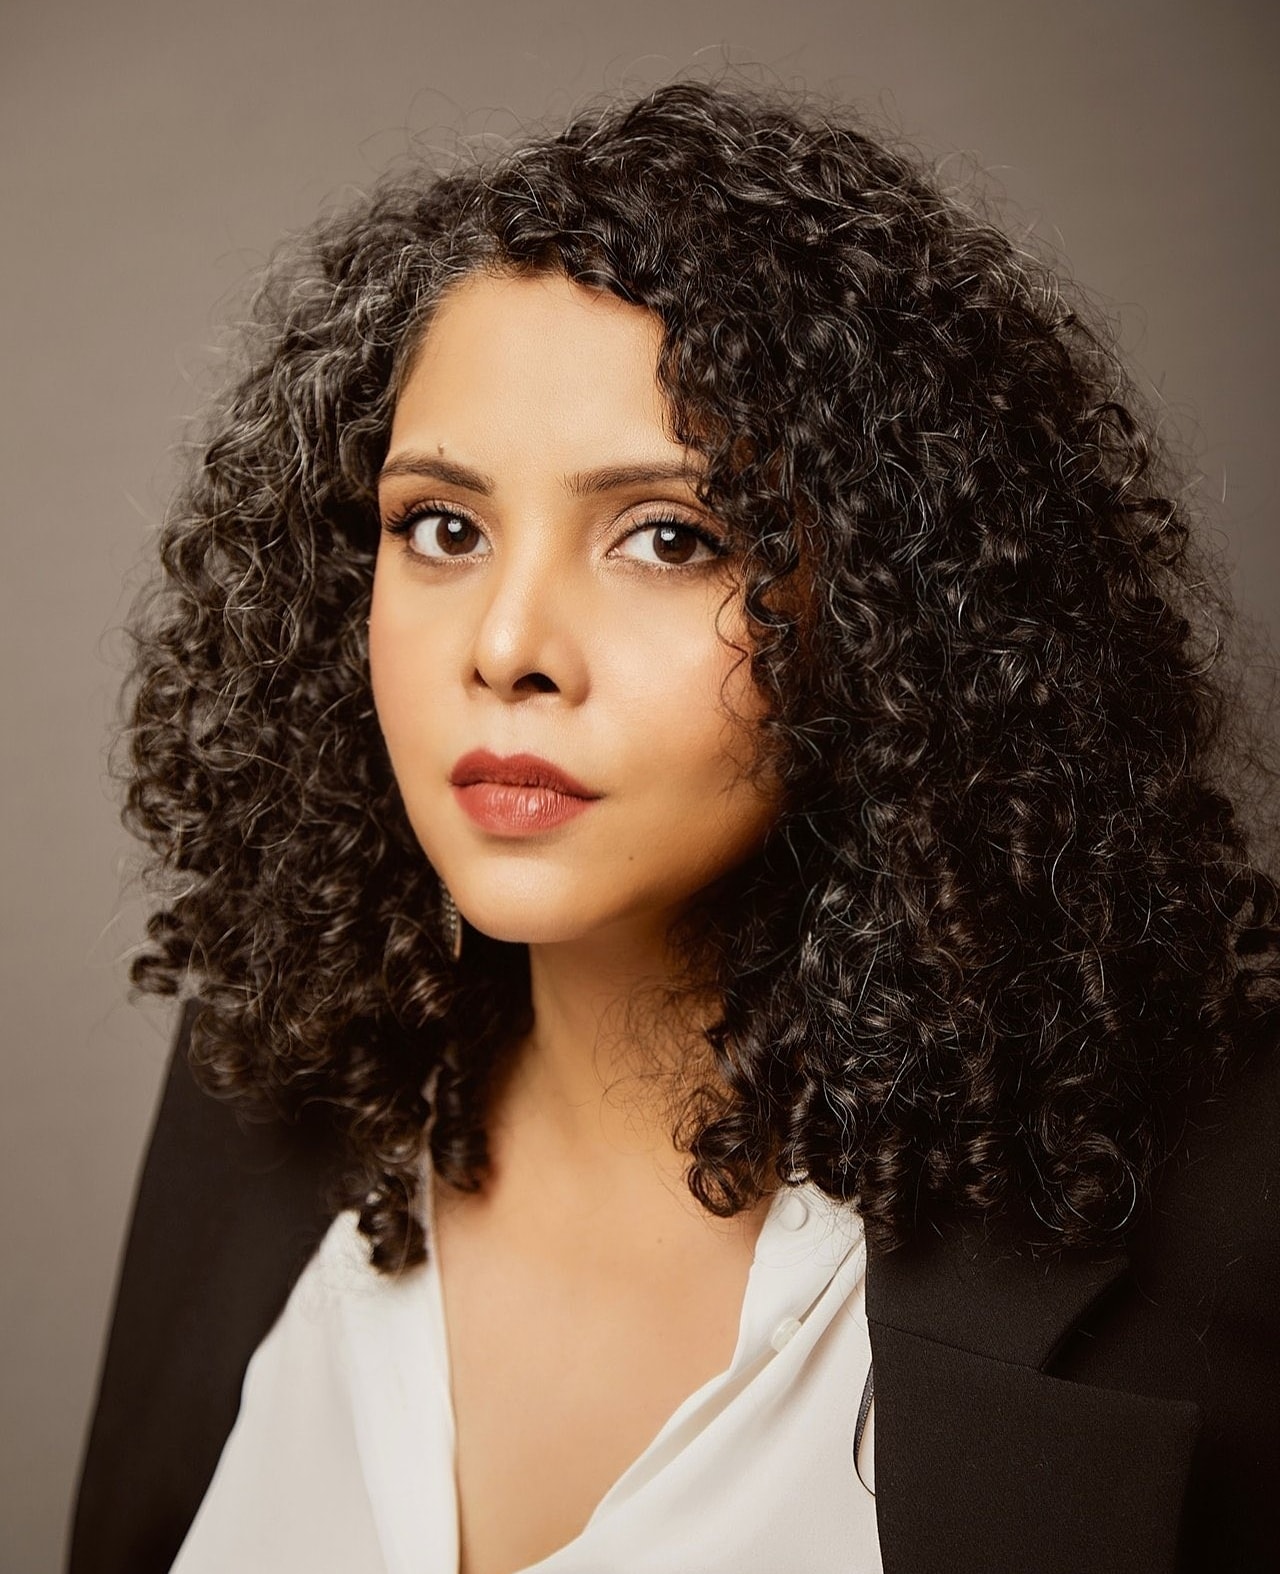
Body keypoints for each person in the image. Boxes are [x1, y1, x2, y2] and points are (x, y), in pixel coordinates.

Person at [69, 79, 1280, 1574]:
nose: (508, 644)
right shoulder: (259, 1081)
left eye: (668, 536)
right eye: (442, 527)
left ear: (898, 614)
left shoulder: (1220, 1204)